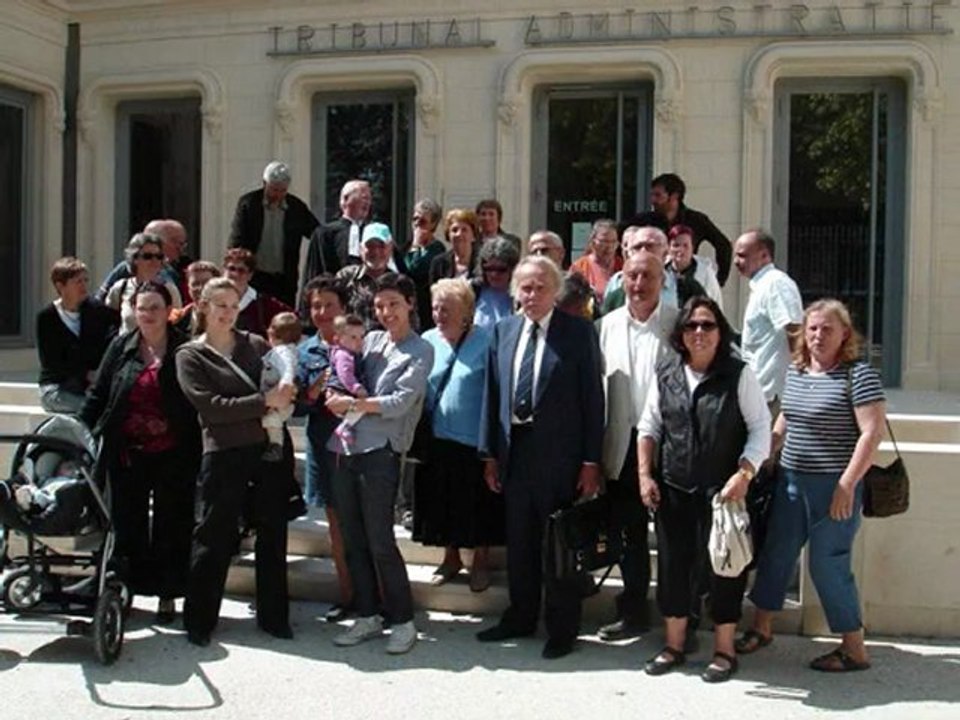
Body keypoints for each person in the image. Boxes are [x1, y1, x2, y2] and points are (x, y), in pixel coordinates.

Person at [738, 299, 886, 673]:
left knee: (828, 565)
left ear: (845, 335)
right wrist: (763, 453)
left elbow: (871, 433)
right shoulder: (798, 371)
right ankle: (762, 628)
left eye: (828, 329)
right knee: (776, 555)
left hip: (835, 489)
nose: (819, 336)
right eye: (813, 328)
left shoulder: (859, 375)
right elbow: (786, 418)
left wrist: (847, 484)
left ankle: (854, 648)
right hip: (790, 483)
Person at [476, 256, 605, 660]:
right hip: (515, 452)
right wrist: (489, 454)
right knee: (521, 542)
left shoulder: (578, 333)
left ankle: (562, 628)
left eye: (539, 288)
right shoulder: (503, 331)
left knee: (558, 547)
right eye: (525, 288)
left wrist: (590, 460)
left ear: (555, 292)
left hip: (561, 456)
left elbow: (592, 400)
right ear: (515, 292)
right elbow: (492, 395)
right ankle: (520, 616)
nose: (531, 295)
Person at [637, 297, 770, 682]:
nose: (699, 332)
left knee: (724, 571)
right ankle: (675, 645)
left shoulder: (739, 375)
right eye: (692, 325)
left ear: (720, 331)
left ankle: (724, 651)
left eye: (707, 325)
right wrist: (645, 475)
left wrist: (744, 474)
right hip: (674, 489)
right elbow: (650, 427)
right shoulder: (666, 373)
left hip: (723, 494)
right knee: (674, 568)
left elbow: (761, 428)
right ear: (681, 333)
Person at [175, 277, 297, 646]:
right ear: (203, 307)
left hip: (268, 449)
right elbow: (211, 408)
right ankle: (199, 620)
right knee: (214, 534)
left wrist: (282, 398)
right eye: (221, 305)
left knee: (273, 534)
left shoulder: (255, 344)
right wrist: (264, 403)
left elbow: (280, 389)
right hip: (223, 452)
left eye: (233, 305)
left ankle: (274, 617)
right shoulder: (189, 355)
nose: (228, 312)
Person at [79, 281, 200, 625]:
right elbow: (98, 395)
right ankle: (125, 591)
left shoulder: (185, 350)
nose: (147, 315)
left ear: (168, 311)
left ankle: (167, 594)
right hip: (127, 452)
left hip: (175, 452)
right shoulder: (121, 347)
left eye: (154, 308)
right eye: (142, 308)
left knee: (171, 525)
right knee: (126, 523)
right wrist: (76, 432)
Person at [325, 273, 433, 655]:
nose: (386, 312)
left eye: (393, 304)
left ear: (409, 305)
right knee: (353, 539)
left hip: (382, 453)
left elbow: (399, 403)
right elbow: (339, 372)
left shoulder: (420, 350)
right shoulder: (368, 339)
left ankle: (402, 620)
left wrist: (354, 404)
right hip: (345, 448)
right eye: (380, 305)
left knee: (380, 540)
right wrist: (332, 393)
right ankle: (368, 615)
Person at [596, 254, 677, 641]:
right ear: (621, 280)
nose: (639, 282)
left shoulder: (679, 323)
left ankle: (680, 618)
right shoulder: (606, 326)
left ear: (663, 280)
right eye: (632, 275)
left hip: (671, 445)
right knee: (627, 535)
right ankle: (633, 612)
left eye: (648, 275)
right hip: (622, 445)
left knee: (673, 537)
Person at [414, 279, 503, 593]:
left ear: (466, 311)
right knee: (441, 501)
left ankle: (480, 561)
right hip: (436, 438)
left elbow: (495, 393)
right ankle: (450, 558)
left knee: (477, 503)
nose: (440, 314)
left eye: (447, 308)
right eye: (436, 307)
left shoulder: (487, 340)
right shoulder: (427, 340)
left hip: (473, 440)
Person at [296, 275, 354, 621]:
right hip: (323, 446)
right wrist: (310, 395)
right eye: (316, 305)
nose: (321, 312)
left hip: (362, 448)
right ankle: (349, 596)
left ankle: (378, 595)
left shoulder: (362, 342)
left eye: (328, 305)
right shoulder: (305, 352)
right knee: (336, 526)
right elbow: (297, 409)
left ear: (343, 308)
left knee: (365, 525)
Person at [229, 160, 319, 306]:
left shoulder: (296, 208)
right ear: (264, 183)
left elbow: (317, 233)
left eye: (282, 190)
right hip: (254, 276)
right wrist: (235, 270)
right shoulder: (249, 204)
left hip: (284, 279)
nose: (277, 194)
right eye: (273, 189)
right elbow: (237, 239)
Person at [734, 228, 804, 415]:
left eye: (742, 256)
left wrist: (802, 380)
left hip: (774, 394)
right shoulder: (762, 286)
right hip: (759, 391)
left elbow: (794, 328)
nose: (736, 262)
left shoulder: (775, 284)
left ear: (764, 255)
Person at [36, 257, 119, 414]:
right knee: (94, 409)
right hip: (57, 388)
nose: (84, 286)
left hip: (90, 387)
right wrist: (86, 373)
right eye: (78, 281)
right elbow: (52, 362)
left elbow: (116, 332)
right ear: (61, 286)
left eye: (85, 280)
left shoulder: (96, 311)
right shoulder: (47, 318)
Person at [623, 173, 733, 285]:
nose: (653, 200)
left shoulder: (696, 220)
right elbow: (620, 240)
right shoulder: (643, 221)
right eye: (652, 195)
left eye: (658, 195)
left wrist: (719, 280)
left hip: (687, 282)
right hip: (650, 281)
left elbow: (724, 246)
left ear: (674, 196)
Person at [105, 233, 183, 334]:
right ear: (135, 259)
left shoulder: (170, 290)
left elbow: (177, 322)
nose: (154, 261)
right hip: (127, 347)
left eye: (159, 256)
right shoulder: (120, 288)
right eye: (148, 256)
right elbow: (109, 322)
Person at [302, 179, 373, 283]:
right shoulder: (325, 233)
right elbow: (314, 272)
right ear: (345, 199)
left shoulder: (373, 234)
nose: (368, 202)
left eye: (369, 199)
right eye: (364, 198)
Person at [95, 219, 184, 302]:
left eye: (159, 256)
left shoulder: (174, 278)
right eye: (147, 256)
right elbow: (100, 299)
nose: (180, 248)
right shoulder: (123, 274)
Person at [600, 226, 679, 314]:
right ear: (628, 254)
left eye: (650, 246)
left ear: (665, 253)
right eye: (637, 247)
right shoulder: (616, 290)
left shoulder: (684, 288)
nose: (643, 251)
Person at [336, 223, 396, 330]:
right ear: (361, 249)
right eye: (370, 246)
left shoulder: (398, 283)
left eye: (381, 246)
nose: (376, 251)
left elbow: (411, 323)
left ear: (390, 248)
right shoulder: (346, 278)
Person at [222, 248, 293, 338]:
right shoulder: (213, 299)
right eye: (232, 269)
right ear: (224, 270)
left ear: (250, 275)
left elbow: (293, 319)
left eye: (241, 270)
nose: (236, 274)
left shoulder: (264, 304)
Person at [261, 312, 301, 462]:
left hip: (282, 395)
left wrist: (286, 383)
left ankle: (276, 445)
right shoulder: (289, 350)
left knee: (271, 420)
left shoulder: (284, 351)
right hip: (280, 395)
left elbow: (288, 368)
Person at [326, 314, 369, 447]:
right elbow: (345, 375)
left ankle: (347, 426)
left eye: (362, 337)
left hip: (343, 389)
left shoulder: (351, 354)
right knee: (362, 405)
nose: (359, 341)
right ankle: (345, 427)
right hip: (341, 389)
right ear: (338, 339)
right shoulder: (343, 355)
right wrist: (356, 388)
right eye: (353, 337)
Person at [404, 198, 446, 332]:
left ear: (433, 225)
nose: (417, 225)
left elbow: (413, 269)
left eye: (422, 222)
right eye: (414, 219)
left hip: (424, 308)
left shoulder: (437, 249)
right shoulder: (406, 247)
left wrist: (417, 245)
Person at [667, 224, 722, 308]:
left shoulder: (706, 273)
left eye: (685, 246)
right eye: (676, 245)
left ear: (692, 248)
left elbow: (715, 303)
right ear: (668, 248)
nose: (680, 250)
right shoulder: (661, 271)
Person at [472, 236, 520, 331]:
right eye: (489, 269)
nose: (494, 274)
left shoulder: (521, 296)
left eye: (501, 269)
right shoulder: (474, 290)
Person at [569, 219, 621, 299]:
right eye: (604, 241)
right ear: (593, 242)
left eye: (613, 242)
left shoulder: (623, 265)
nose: (609, 247)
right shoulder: (579, 267)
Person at [429, 209, 482, 284]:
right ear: (448, 235)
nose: (459, 234)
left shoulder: (483, 262)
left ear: (473, 236)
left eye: (464, 230)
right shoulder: (439, 263)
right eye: (454, 230)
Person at [172, 260, 221, 334]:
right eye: (195, 284)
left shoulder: (229, 317)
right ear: (188, 287)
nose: (201, 288)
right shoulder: (178, 321)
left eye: (207, 283)